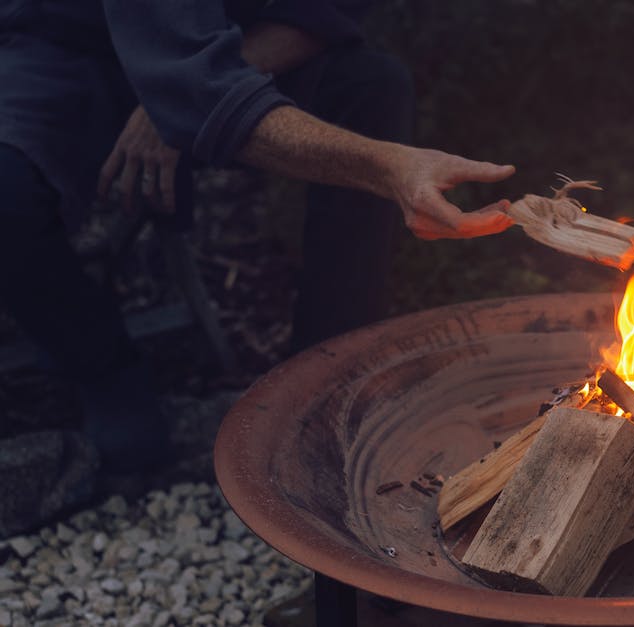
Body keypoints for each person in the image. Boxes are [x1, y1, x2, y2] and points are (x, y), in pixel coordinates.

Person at [0, 1, 515, 474]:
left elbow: (327, 12)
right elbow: (191, 84)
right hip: (64, 47)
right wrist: (388, 170)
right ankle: (101, 365)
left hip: (225, 39)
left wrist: (192, 86)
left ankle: (328, 385)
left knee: (373, 86)